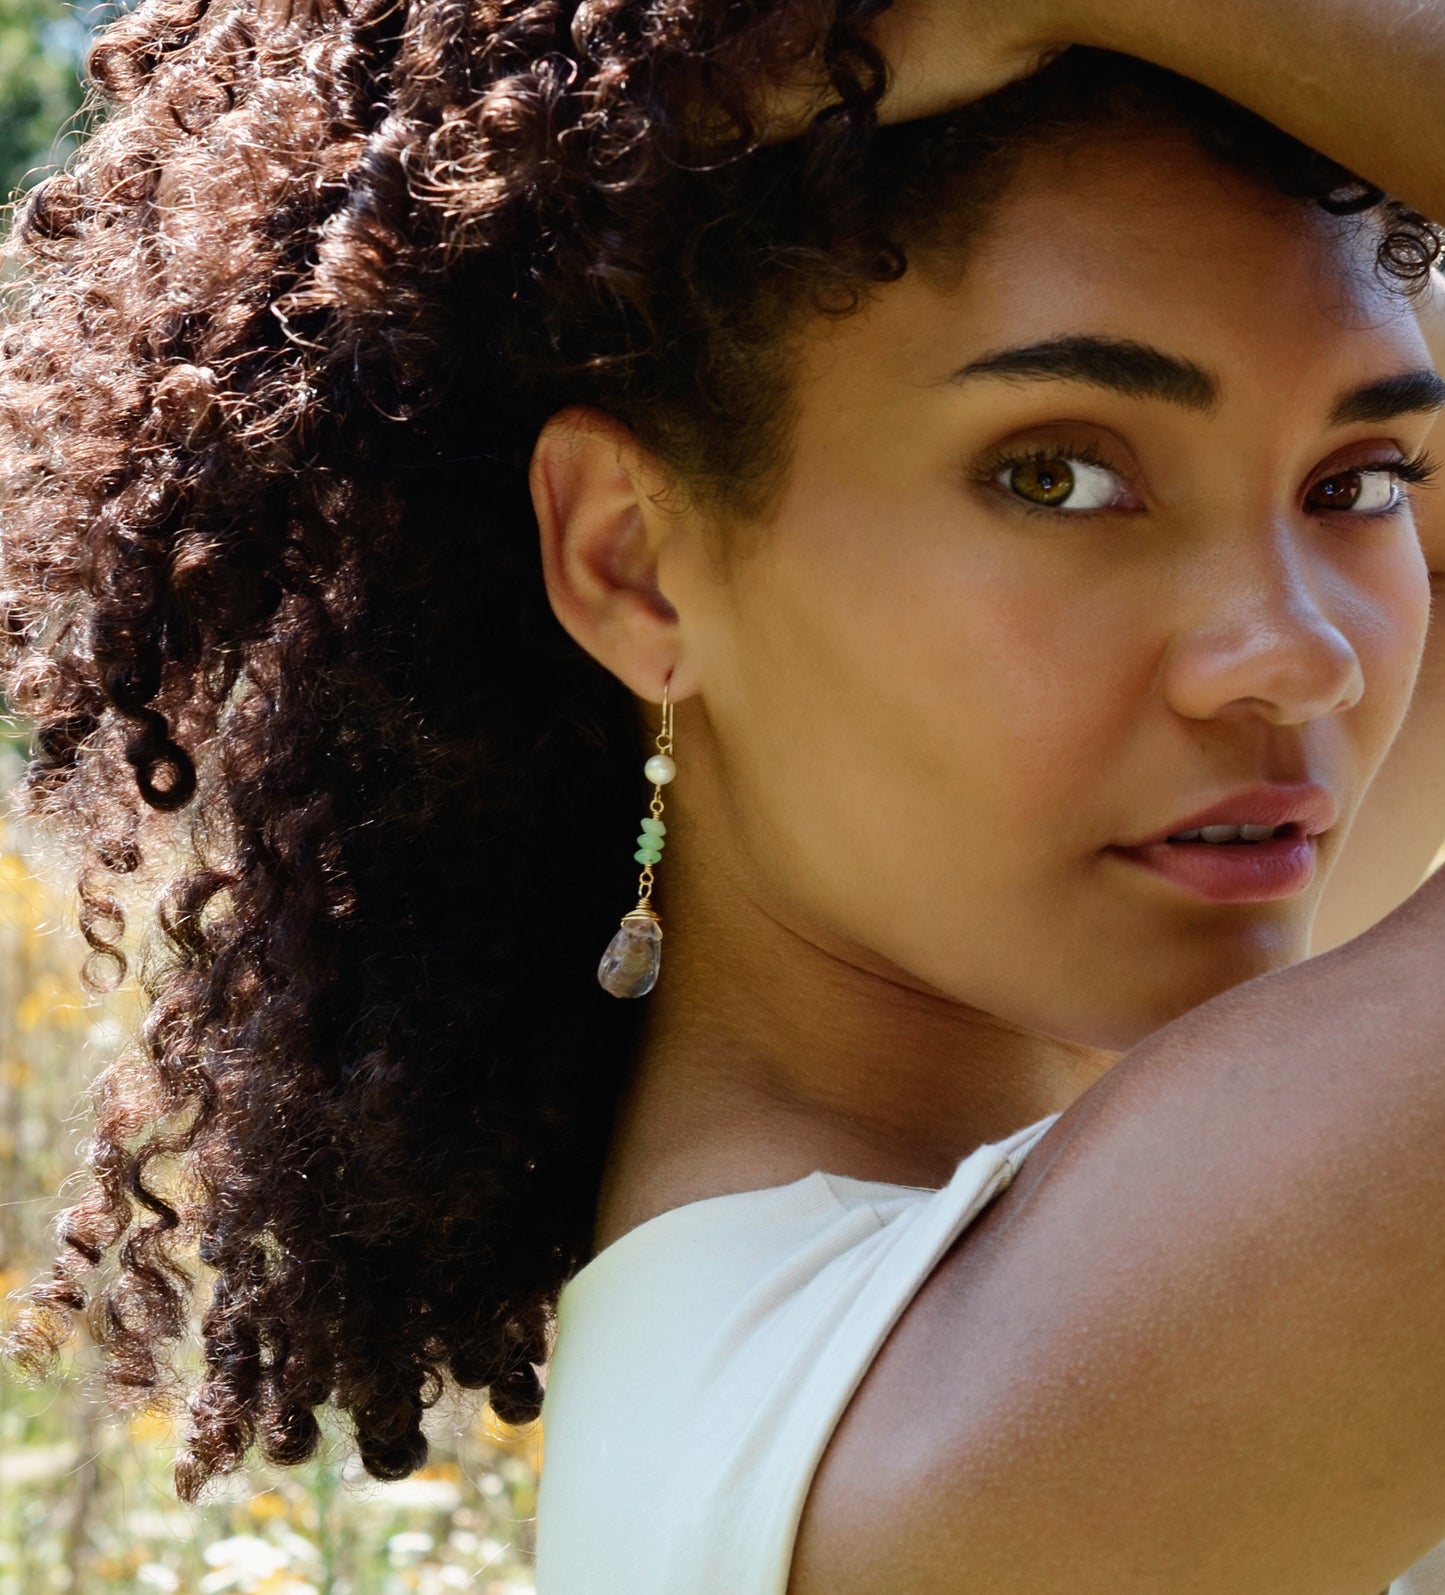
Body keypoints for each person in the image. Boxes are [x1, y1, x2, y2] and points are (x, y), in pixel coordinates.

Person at [3, 0, 1445, 1590]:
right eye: (1056, 474)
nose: (1296, 658)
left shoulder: (893, 1326)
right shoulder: (953, 1438)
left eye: (1358, 483)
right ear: (636, 560)